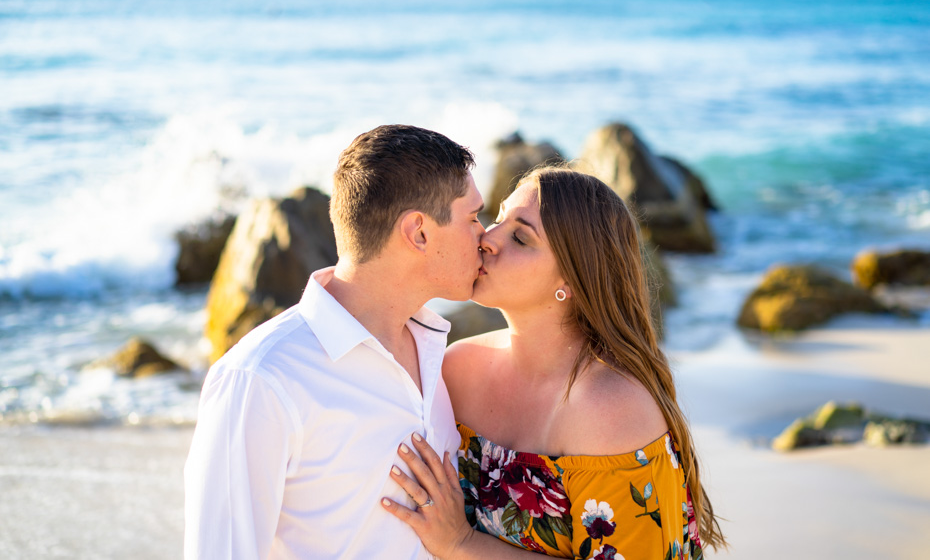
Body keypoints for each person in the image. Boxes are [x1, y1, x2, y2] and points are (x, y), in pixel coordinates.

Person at [382, 166, 725, 559]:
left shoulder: (611, 410)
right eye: (497, 217)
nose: (487, 239)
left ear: (572, 281)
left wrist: (462, 543)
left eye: (521, 238)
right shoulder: (457, 367)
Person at [184, 124, 486, 559]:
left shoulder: (437, 355)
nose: (486, 236)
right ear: (419, 232)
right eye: (473, 217)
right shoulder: (261, 379)